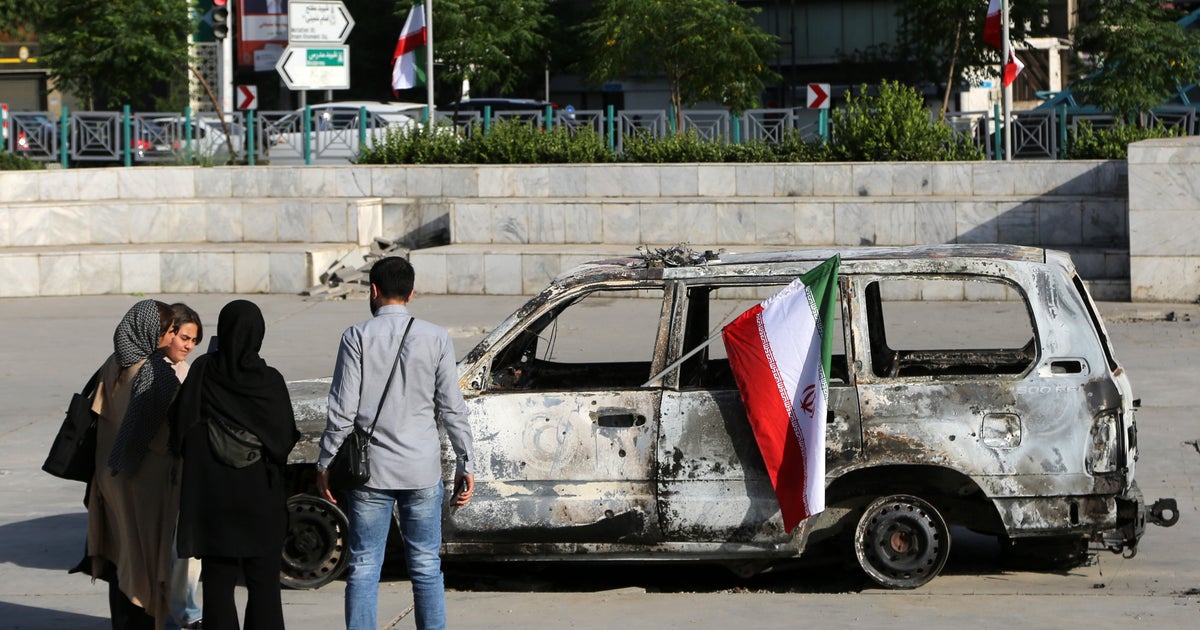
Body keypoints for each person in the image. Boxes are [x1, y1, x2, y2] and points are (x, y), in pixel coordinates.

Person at [315, 256, 474, 630]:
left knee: (364, 565)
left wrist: (325, 462)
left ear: (373, 290)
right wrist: (466, 462)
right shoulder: (436, 337)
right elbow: (452, 407)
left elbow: (343, 411)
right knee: (426, 566)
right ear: (411, 293)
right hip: (421, 470)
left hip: (371, 473)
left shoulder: (356, 337)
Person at [170, 300, 299, 630]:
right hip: (260, 497)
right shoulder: (269, 381)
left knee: (218, 583)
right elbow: (285, 439)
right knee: (264, 583)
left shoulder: (203, 371)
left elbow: (179, 428)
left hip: (213, 498)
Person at [78, 299, 181, 629]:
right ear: (151, 332)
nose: (172, 338)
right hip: (144, 484)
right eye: (169, 331)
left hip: (108, 479)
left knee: (119, 556)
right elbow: (164, 435)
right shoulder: (156, 375)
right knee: (145, 563)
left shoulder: (113, 363)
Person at [162, 303, 204, 630]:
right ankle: (183, 613)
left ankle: (183, 611)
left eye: (194, 341)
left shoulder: (185, 369)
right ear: (168, 333)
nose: (188, 346)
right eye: (184, 338)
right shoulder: (156, 372)